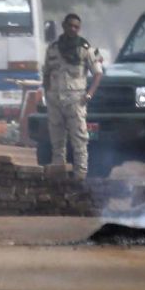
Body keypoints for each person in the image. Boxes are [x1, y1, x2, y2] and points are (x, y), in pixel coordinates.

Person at [42, 13, 103, 178]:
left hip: (76, 100)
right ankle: (58, 175)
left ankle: (80, 177)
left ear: (79, 29)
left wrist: (89, 95)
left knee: (80, 140)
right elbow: (46, 72)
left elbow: (98, 74)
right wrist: (47, 91)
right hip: (55, 99)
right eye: (70, 26)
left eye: (76, 27)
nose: (72, 29)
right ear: (64, 26)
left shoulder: (86, 49)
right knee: (57, 141)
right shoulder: (53, 48)